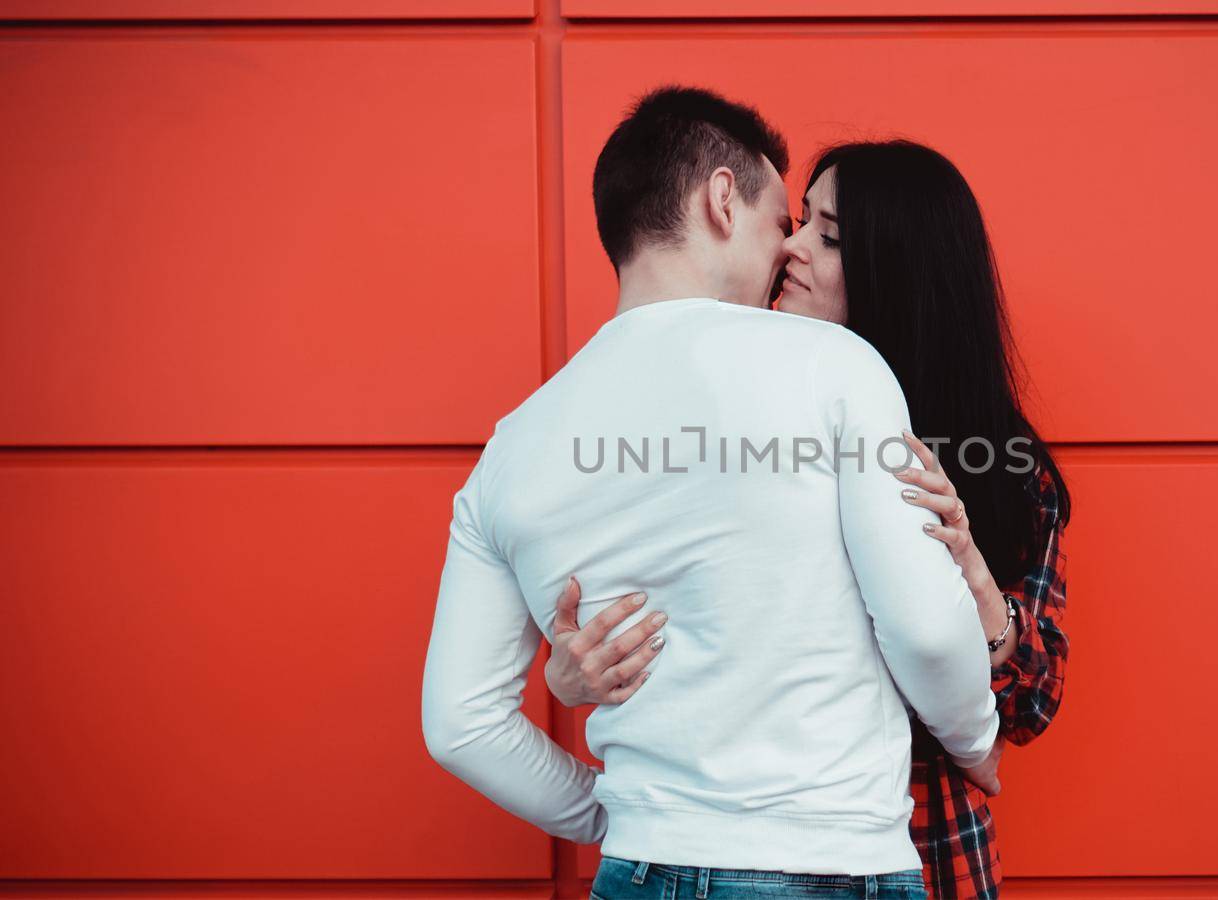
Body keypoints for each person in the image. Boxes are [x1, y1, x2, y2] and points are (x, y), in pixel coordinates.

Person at [420, 86, 1004, 900]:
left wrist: (619, 816)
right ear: (722, 200)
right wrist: (979, 741)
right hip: (829, 868)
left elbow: (460, 725)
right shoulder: (831, 366)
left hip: (639, 869)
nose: (786, 256)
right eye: (780, 225)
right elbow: (928, 631)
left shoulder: (514, 444)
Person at [545, 139, 1072, 900]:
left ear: (896, 272)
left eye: (827, 237)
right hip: (747, 856)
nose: (788, 245)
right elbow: (684, 620)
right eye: (799, 223)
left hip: (930, 850)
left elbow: (1031, 702)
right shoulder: (733, 418)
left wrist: (973, 576)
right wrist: (573, 674)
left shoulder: (1001, 465)